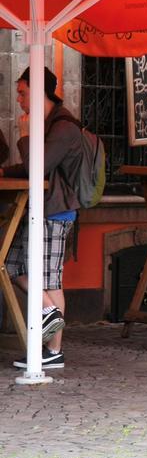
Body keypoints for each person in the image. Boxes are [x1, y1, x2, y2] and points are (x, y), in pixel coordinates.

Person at [0, 67, 82, 369]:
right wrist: (5, 172)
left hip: (55, 211)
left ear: (39, 92)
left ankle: (53, 349)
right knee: (10, 265)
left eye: (22, 92)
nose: (19, 99)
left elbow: (38, 165)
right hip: (40, 208)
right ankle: (50, 314)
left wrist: (24, 136)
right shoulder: (47, 124)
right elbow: (31, 167)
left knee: (49, 280)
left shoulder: (63, 127)